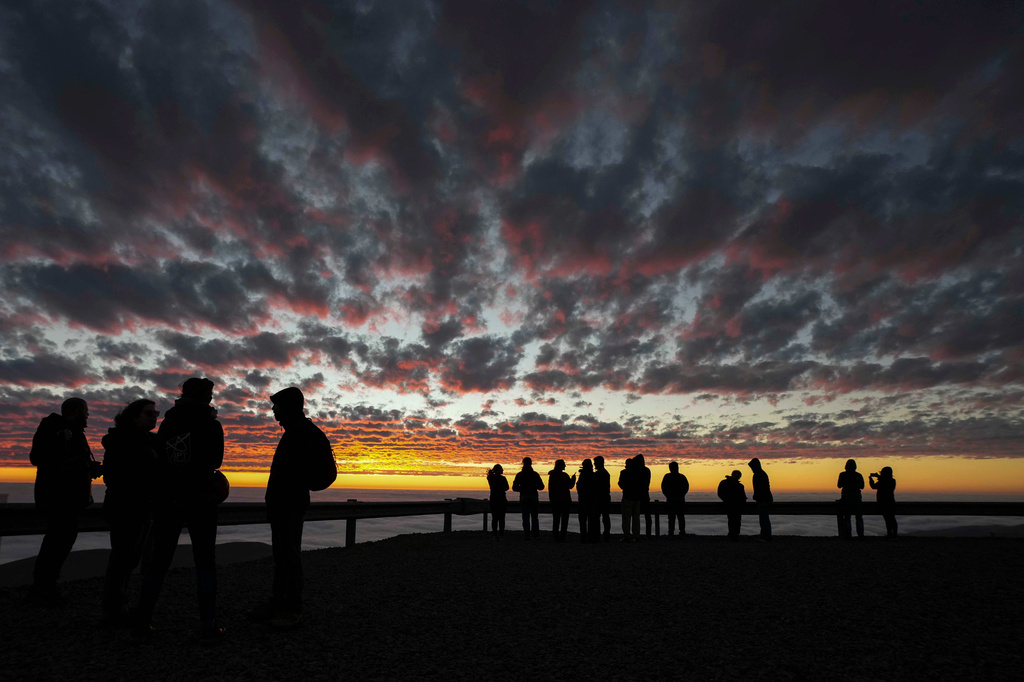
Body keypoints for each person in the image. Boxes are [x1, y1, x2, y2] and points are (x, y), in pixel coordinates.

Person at [135, 378, 225, 642]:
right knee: (205, 561)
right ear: (206, 397)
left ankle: (143, 620)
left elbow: (162, 459)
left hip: (169, 498)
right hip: (201, 499)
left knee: (159, 561)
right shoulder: (211, 424)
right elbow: (215, 460)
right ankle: (207, 623)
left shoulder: (168, 423)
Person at [250, 386, 335, 630]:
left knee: (288, 556)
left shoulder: (299, 433)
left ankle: (291, 609)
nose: (272, 409)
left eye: (276, 405)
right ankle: (279, 604)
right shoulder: (299, 431)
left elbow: (294, 474)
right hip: (287, 504)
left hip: (289, 505)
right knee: (284, 556)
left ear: (287, 407)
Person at [27, 397, 102, 605]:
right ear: (78, 411)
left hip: (67, 499)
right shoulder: (54, 428)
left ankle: (45, 587)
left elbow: (75, 463)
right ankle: (42, 589)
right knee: (56, 543)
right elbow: (37, 457)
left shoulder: (74, 431)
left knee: (59, 542)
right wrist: (61, 442)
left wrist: (90, 468)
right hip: (58, 499)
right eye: (86, 411)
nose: (88, 415)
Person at [100, 399, 160, 626]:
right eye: (148, 413)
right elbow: (117, 476)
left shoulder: (144, 439)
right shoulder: (126, 440)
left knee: (127, 559)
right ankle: (113, 609)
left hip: (138, 506)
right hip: (127, 507)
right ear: (133, 416)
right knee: (123, 559)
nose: (153, 416)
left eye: (155, 413)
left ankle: (117, 606)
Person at [512, 457, 544, 539]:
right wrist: (534, 486)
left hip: (524, 497)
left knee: (525, 516)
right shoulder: (535, 474)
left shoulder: (519, 475)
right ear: (531, 463)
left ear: (523, 463)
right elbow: (541, 487)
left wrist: (522, 489)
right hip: (533, 496)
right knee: (534, 516)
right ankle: (535, 535)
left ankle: (527, 535)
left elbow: (514, 488)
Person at [547, 460, 576, 542]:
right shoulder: (564, 475)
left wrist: (551, 500)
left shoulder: (552, 476)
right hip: (565, 501)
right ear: (561, 466)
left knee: (556, 519)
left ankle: (555, 536)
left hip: (555, 501)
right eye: (564, 465)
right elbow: (570, 486)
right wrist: (573, 479)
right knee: (564, 520)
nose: (565, 466)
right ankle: (562, 537)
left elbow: (550, 490)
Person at [837, 459, 865, 539]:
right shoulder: (859, 475)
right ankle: (860, 535)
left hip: (846, 498)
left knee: (847, 518)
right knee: (859, 518)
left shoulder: (842, 475)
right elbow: (862, 486)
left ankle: (848, 535)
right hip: (857, 498)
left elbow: (839, 485)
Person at [661, 462, 689, 537]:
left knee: (671, 517)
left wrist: (668, 496)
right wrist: (682, 495)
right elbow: (686, 487)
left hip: (671, 500)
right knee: (681, 517)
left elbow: (663, 488)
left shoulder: (667, 477)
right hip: (680, 500)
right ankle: (682, 532)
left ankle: (671, 532)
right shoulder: (682, 477)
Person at [717, 470, 746, 540]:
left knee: (733, 520)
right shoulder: (739, 486)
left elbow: (720, 493)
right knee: (734, 521)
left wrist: (726, 500)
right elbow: (720, 493)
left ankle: (733, 535)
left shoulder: (724, 483)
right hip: (732, 505)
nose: (738, 478)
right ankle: (734, 535)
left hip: (732, 505)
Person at [748, 458, 773, 541]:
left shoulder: (758, 474)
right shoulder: (762, 473)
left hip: (763, 500)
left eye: (752, 467)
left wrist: (756, 496)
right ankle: (765, 535)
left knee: (764, 519)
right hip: (765, 499)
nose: (751, 469)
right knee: (764, 518)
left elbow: (760, 488)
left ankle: (766, 536)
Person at [618, 457, 642, 542]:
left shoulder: (624, 473)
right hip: (637, 498)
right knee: (636, 517)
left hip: (627, 497)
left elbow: (620, 484)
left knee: (626, 518)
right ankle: (636, 535)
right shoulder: (638, 473)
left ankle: (627, 536)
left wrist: (626, 488)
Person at [869, 467, 898, 538]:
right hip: (891, 502)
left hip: (883, 503)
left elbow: (874, 486)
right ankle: (894, 534)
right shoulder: (893, 481)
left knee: (887, 519)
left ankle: (890, 534)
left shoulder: (882, 481)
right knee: (892, 518)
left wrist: (871, 479)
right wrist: (879, 478)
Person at [576, 459, 596, 543]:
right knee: (591, 520)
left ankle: (583, 538)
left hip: (583, 500)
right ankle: (591, 538)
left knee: (583, 520)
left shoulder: (582, 475)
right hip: (591, 500)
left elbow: (579, 488)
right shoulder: (593, 475)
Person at [487, 464, 509, 539]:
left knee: (494, 518)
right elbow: (507, 487)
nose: (503, 470)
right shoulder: (503, 478)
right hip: (502, 499)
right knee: (502, 518)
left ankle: (494, 533)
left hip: (493, 499)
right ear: (498, 470)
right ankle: (501, 533)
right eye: (501, 469)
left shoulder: (490, 478)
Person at [634, 454, 653, 536]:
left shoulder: (635, 471)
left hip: (637, 496)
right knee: (647, 516)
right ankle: (648, 534)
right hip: (644, 495)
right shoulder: (646, 470)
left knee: (637, 516)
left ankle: (637, 533)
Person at [593, 456, 612, 541]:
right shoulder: (605, 473)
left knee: (599, 517)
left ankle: (598, 535)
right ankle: (606, 534)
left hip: (600, 498)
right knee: (605, 517)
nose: (594, 464)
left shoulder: (599, 474)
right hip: (605, 497)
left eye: (595, 463)